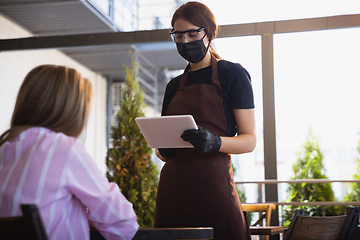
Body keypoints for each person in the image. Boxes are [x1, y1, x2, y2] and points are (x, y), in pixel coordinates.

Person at [154, 1, 256, 239]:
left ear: (209, 33)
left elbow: (249, 140)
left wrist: (215, 143)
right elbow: (161, 152)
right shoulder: (173, 86)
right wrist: (163, 150)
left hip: (214, 190)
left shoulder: (233, 74)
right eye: (178, 36)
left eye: (192, 33)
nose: (186, 41)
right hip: (172, 191)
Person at [0, 65, 139, 240]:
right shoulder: (63, 149)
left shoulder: (4, 147)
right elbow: (124, 224)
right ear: (71, 111)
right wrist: (87, 216)